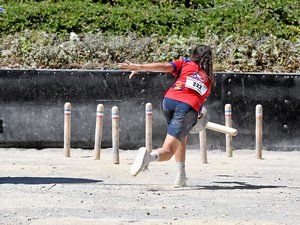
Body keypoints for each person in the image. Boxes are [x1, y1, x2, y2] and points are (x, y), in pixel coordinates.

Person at [119, 45, 215, 187]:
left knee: (181, 136)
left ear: (193, 55)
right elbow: (199, 110)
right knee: (168, 151)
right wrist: (198, 118)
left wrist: (140, 67)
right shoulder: (208, 79)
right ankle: (149, 157)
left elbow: (164, 66)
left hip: (168, 101)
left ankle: (181, 177)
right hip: (187, 107)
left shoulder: (185, 63)